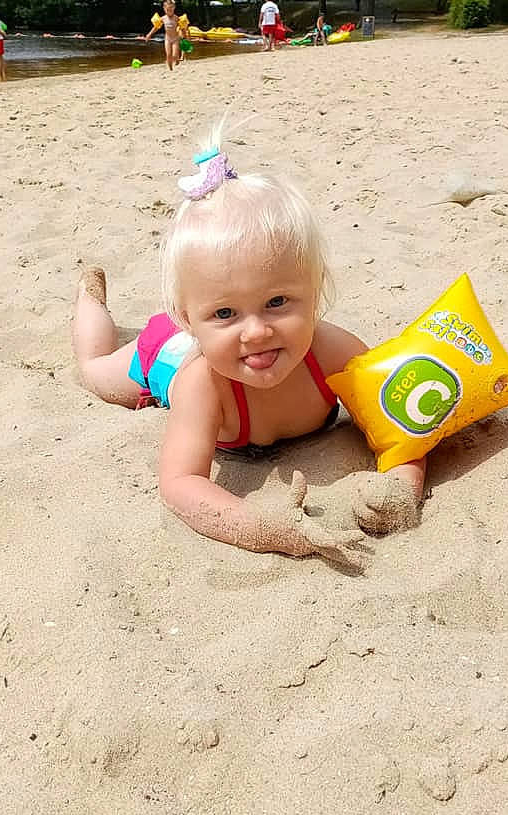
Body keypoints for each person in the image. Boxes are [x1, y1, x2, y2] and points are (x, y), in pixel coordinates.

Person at [71, 130, 425, 567]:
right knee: (96, 372)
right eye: (225, 313)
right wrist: (257, 525)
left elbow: (405, 423)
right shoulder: (203, 385)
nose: (256, 332)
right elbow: (180, 481)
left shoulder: (334, 352)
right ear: (189, 318)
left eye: (277, 302)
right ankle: (90, 301)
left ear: (314, 292)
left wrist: (402, 485)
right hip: (169, 355)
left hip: (202, 338)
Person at [143, 0, 182, 71]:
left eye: (171, 9)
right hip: (167, 39)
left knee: (174, 55)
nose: (169, 11)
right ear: (164, 9)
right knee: (168, 55)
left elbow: (182, 28)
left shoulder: (177, 18)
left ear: (174, 8)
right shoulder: (163, 18)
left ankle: (177, 59)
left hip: (175, 39)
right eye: (167, 9)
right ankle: (171, 69)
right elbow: (156, 27)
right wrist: (149, 35)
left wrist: (185, 36)